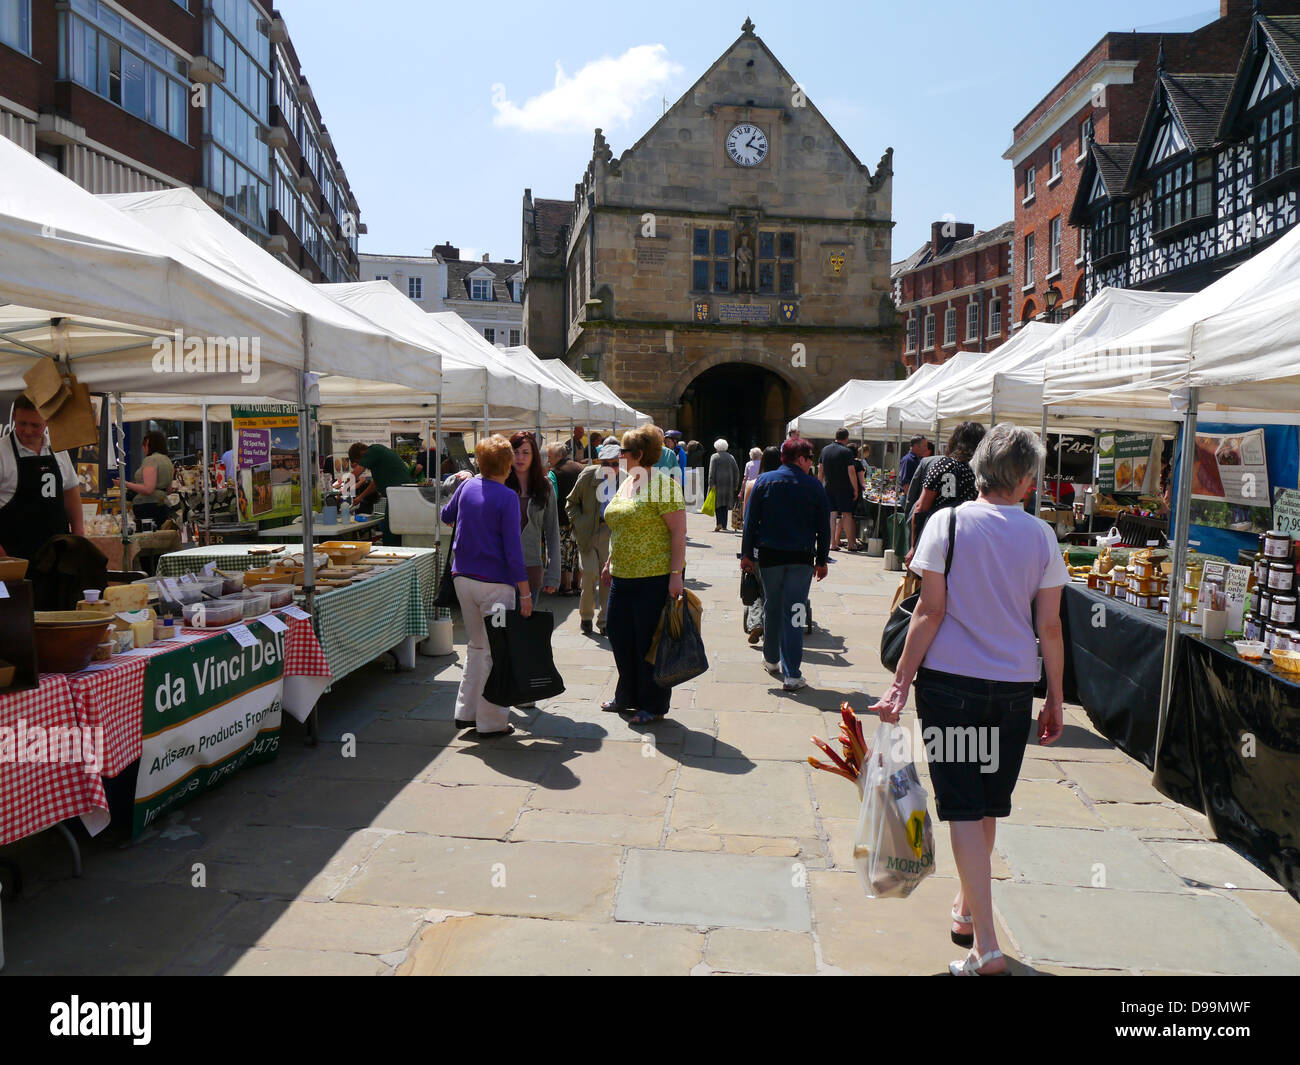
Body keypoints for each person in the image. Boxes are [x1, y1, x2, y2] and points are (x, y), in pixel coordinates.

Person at [870, 423, 1067, 975]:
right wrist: (1054, 695)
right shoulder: (1041, 537)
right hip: (1011, 688)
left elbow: (928, 613)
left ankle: (986, 946)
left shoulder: (946, 523)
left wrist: (898, 685)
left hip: (950, 685)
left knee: (962, 806)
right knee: (984, 806)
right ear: (1026, 478)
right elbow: (1049, 626)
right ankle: (966, 910)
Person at [439, 435, 533, 739]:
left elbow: (445, 515)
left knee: (477, 647)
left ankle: (466, 712)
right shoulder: (507, 498)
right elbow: (513, 552)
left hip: (463, 578)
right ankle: (491, 722)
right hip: (495, 585)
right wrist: (526, 592)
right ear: (506, 464)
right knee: (497, 652)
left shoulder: (467, 486)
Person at [600, 425, 687, 725]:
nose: (618, 456)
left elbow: (678, 534)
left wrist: (676, 574)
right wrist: (610, 559)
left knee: (647, 644)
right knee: (619, 635)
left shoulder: (663, 486)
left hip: (653, 576)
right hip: (621, 575)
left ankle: (653, 704)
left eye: (622, 451)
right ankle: (627, 696)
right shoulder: (626, 483)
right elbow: (622, 524)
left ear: (638, 455)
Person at [740, 436, 830, 692]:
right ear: (800, 459)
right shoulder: (814, 486)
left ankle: (771, 659)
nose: (812, 463)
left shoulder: (765, 481)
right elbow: (823, 527)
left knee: (772, 606)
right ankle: (792, 673)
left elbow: (750, 522)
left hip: (769, 557)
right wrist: (822, 559)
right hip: (801, 559)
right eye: (811, 458)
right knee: (795, 612)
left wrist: (746, 554)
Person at [0, 395, 84, 559]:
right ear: (13, 417)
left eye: (35, 425)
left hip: (58, 552)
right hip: (13, 553)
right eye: (22, 423)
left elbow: (71, 491)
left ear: (47, 421)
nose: (28, 431)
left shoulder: (58, 448)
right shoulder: (2, 452)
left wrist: (78, 532)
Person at [906, 422, 986, 568]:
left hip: (939, 533)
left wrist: (914, 546)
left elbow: (921, 507)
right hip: (972, 537)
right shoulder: (983, 471)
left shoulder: (945, 464)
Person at [567, 440, 620, 635]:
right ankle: (586, 616)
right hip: (588, 532)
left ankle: (604, 621)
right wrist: (580, 523)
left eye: (615, 463)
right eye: (607, 463)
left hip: (611, 532)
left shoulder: (626, 479)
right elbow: (571, 503)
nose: (611, 468)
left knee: (608, 577)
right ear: (600, 462)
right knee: (589, 574)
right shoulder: (589, 475)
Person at [505, 431, 560, 605]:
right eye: (515, 452)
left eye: (526, 452)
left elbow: (552, 531)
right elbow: (477, 480)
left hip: (531, 568)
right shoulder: (500, 482)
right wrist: (467, 473)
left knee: (524, 627)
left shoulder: (545, 487)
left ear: (534, 456)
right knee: (499, 628)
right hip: (500, 568)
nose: (520, 457)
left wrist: (553, 574)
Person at [741, 444, 782, 645]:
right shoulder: (786, 483)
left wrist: (745, 552)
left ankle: (756, 622)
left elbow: (747, 520)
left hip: (758, 544)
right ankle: (770, 624)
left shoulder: (753, 483)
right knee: (773, 590)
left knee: (757, 586)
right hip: (781, 545)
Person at [348, 441, 414, 544]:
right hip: (401, 495)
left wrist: (342, 488)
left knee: (390, 530)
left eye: (359, 462)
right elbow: (375, 484)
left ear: (361, 454)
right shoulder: (378, 457)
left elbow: (355, 473)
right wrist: (359, 498)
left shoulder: (373, 450)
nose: (363, 463)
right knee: (395, 529)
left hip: (399, 495)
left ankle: (391, 554)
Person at [546, 442, 585, 597]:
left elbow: (552, 496)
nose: (548, 460)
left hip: (562, 518)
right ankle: (577, 584)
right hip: (580, 518)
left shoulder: (554, 472)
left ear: (559, 456)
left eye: (550, 457)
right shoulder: (581, 468)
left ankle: (566, 585)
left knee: (565, 553)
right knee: (578, 552)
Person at [118, 429, 175, 529]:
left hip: (147, 505)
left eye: (144, 445)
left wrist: (125, 483)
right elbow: (169, 490)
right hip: (163, 503)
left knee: (147, 536)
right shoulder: (167, 460)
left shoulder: (151, 460)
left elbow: (149, 489)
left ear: (148, 444)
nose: (144, 449)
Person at [819, 427, 862, 552]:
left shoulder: (825, 450)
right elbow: (851, 472)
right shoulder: (846, 452)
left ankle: (832, 543)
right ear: (846, 438)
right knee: (846, 514)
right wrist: (855, 489)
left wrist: (819, 486)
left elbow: (821, 470)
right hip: (844, 487)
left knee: (832, 514)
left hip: (829, 486)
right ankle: (850, 544)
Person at [707, 438, 741, 533]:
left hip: (717, 484)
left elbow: (711, 472)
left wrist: (711, 484)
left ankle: (719, 523)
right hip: (728, 485)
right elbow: (736, 471)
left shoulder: (714, 457)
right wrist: (735, 485)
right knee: (725, 505)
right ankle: (724, 525)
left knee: (718, 505)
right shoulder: (731, 457)